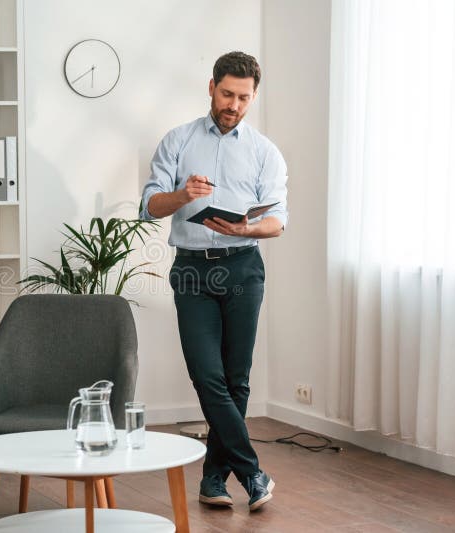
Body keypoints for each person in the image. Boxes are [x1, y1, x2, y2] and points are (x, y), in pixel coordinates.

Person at [140, 51, 288, 511]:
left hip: (243, 265)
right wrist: (183, 194)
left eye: (244, 97)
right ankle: (252, 473)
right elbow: (149, 205)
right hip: (192, 269)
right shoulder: (178, 141)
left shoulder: (265, 151)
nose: (234, 105)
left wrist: (244, 228)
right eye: (227, 94)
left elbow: (278, 220)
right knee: (208, 375)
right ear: (211, 87)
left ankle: (212, 480)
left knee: (237, 377)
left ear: (253, 96)